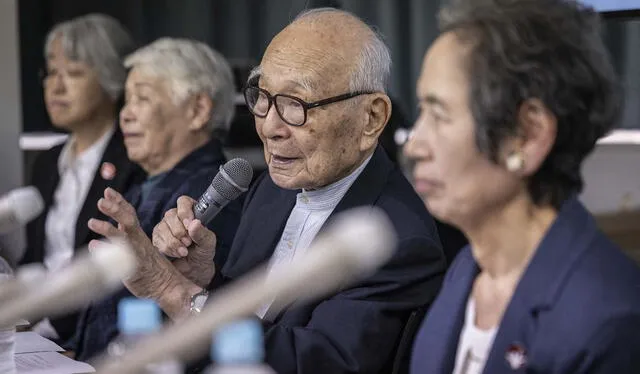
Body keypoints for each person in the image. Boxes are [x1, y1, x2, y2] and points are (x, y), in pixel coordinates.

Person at [95, 8, 448, 374]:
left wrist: (175, 293)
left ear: (371, 118)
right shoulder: (272, 190)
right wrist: (202, 279)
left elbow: (313, 363)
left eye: (296, 104)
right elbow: (256, 324)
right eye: (262, 97)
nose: (269, 126)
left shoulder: (398, 240)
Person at [406, 0, 640, 373]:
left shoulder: (608, 321)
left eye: (439, 114)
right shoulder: (466, 271)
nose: (414, 145)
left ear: (527, 136)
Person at [67, 38, 243, 361]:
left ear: (197, 110)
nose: (125, 116)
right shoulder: (145, 183)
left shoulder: (208, 198)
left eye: (142, 99)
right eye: (126, 101)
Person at [21, 14, 145, 344]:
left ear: (111, 79)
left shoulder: (135, 160)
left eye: (74, 73)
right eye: (51, 73)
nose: (56, 87)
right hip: (32, 330)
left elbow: (116, 278)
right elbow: (35, 259)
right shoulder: (47, 161)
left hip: (85, 340)